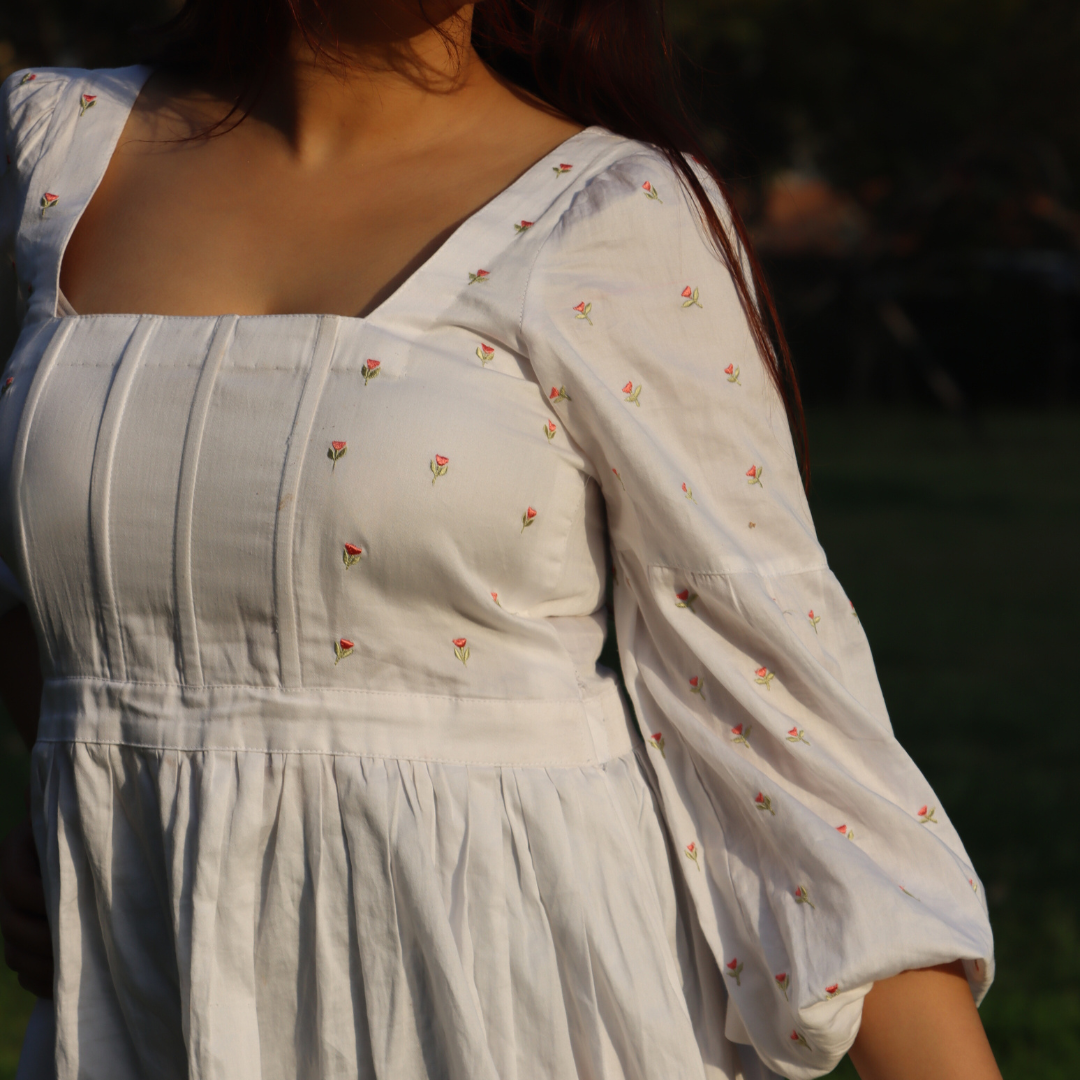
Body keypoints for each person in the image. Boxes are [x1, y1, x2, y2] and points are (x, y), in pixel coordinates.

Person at [0, 2, 1002, 1078]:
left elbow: (784, 734)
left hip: (512, 1007)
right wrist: (86, 786)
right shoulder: (52, 151)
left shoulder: (617, 215)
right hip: (147, 1004)